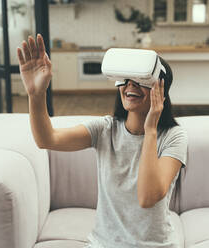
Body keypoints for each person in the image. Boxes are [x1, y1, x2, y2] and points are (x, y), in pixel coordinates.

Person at [17, 34, 188, 248]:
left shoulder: (173, 137)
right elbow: (47, 139)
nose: (130, 86)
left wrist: (150, 129)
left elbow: (147, 197)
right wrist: (36, 94)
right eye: (125, 79)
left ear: (160, 89)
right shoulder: (105, 129)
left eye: (141, 80)